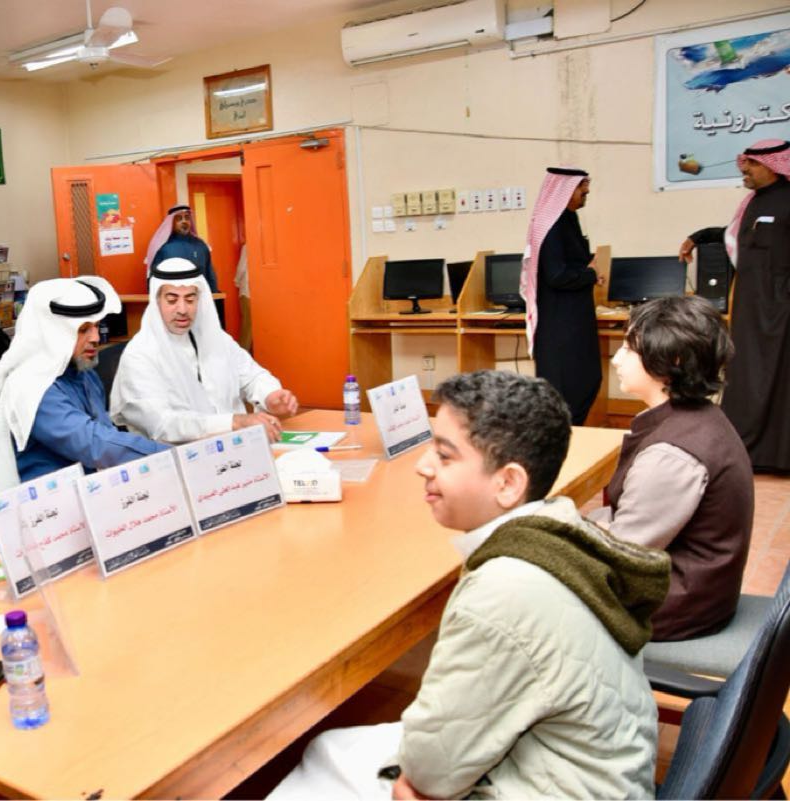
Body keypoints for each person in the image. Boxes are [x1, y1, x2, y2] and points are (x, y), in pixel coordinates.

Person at [270, 370, 669, 800]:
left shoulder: (501, 592)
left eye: (444, 456)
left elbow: (428, 773)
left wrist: (416, 784)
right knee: (328, 748)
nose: (423, 466)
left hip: (559, 786)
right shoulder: (559, 528)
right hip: (601, 771)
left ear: (508, 483)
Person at [591, 296, 752, 641]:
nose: (616, 359)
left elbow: (622, 553)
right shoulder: (700, 416)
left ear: (672, 360)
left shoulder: (672, 454)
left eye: (628, 349)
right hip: (697, 588)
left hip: (677, 605)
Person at [0, 276, 166, 489]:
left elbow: (105, 433)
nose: (96, 337)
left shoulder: (83, 372)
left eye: (97, 326)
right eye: (84, 330)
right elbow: (94, 444)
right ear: (54, 334)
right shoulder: (32, 388)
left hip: (93, 487)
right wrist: (165, 455)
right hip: (49, 500)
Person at [679, 138, 790, 472]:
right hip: (750, 305)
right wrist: (698, 237)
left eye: (752, 164)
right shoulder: (753, 202)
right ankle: (743, 451)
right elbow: (734, 234)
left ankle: (778, 457)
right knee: (746, 375)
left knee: (778, 378)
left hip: (781, 308)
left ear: (774, 166)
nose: (745, 169)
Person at [110, 257, 297, 444]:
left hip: (234, 446)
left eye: (190, 299)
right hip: (175, 454)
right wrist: (234, 422)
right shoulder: (140, 354)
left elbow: (252, 376)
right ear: (157, 301)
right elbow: (162, 425)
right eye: (172, 300)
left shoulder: (215, 339)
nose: (183, 309)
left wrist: (270, 395)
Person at [521, 166, 604, 425]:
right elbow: (556, 275)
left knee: (587, 380)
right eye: (582, 190)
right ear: (565, 190)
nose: (586, 194)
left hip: (575, 319)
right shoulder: (550, 225)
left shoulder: (568, 219)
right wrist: (590, 274)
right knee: (566, 391)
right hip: (560, 325)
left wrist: (590, 271)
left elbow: (572, 263)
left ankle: (574, 435)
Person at [144, 204, 220, 292]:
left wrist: (214, 295)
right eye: (179, 218)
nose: (184, 221)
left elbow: (210, 274)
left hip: (199, 296)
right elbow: (154, 279)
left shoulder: (200, 245)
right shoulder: (162, 247)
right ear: (171, 223)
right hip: (173, 297)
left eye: (187, 218)